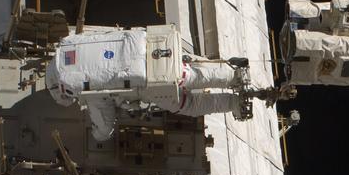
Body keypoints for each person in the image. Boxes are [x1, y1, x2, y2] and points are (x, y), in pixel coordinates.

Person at [44, 25, 285, 140]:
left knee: (189, 104)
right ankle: (234, 77)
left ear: (62, 90)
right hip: (155, 48)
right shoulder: (72, 42)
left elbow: (105, 124)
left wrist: (99, 135)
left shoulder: (81, 87)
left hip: (150, 84)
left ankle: (233, 102)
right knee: (190, 74)